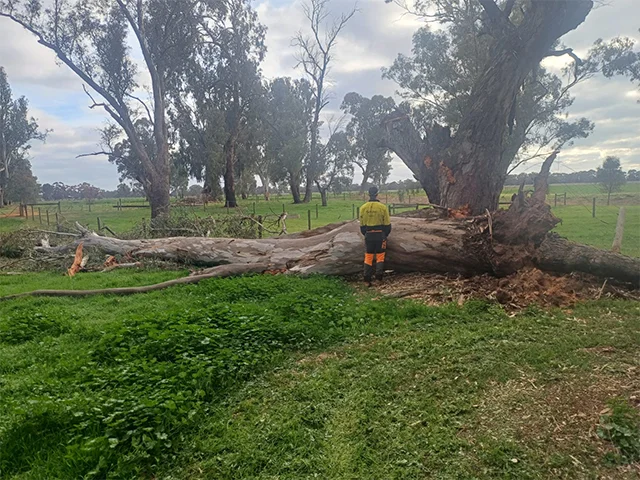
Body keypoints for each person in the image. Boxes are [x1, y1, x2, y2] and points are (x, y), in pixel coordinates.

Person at [359, 186, 391, 285]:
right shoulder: (382, 207)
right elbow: (387, 225)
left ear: (369, 194)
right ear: (377, 194)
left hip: (368, 234)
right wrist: (384, 235)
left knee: (368, 256)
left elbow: (362, 226)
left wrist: (367, 234)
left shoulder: (363, 208)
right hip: (380, 234)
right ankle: (378, 279)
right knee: (380, 256)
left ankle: (367, 280)